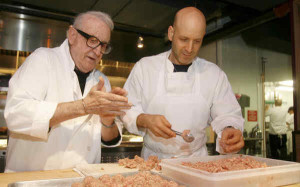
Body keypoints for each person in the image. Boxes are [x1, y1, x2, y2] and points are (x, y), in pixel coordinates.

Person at [4, 11, 132, 172]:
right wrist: (84, 106)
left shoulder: (102, 80)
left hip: (82, 179)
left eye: (103, 45)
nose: (98, 51)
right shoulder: (43, 59)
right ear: (72, 35)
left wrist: (108, 121)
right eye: (93, 41)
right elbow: (16, 114)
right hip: (34, 178)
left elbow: (109, 138)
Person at [122, 7, 244, 159]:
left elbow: (227, 113)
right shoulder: (145, 68)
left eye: (197, 41)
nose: (189, 48)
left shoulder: (214, 74)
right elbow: (126, 108)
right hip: (154, 161)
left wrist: (229, 129)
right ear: (171, 33)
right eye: (184, 39)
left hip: (196, 162)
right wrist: (143, 119)